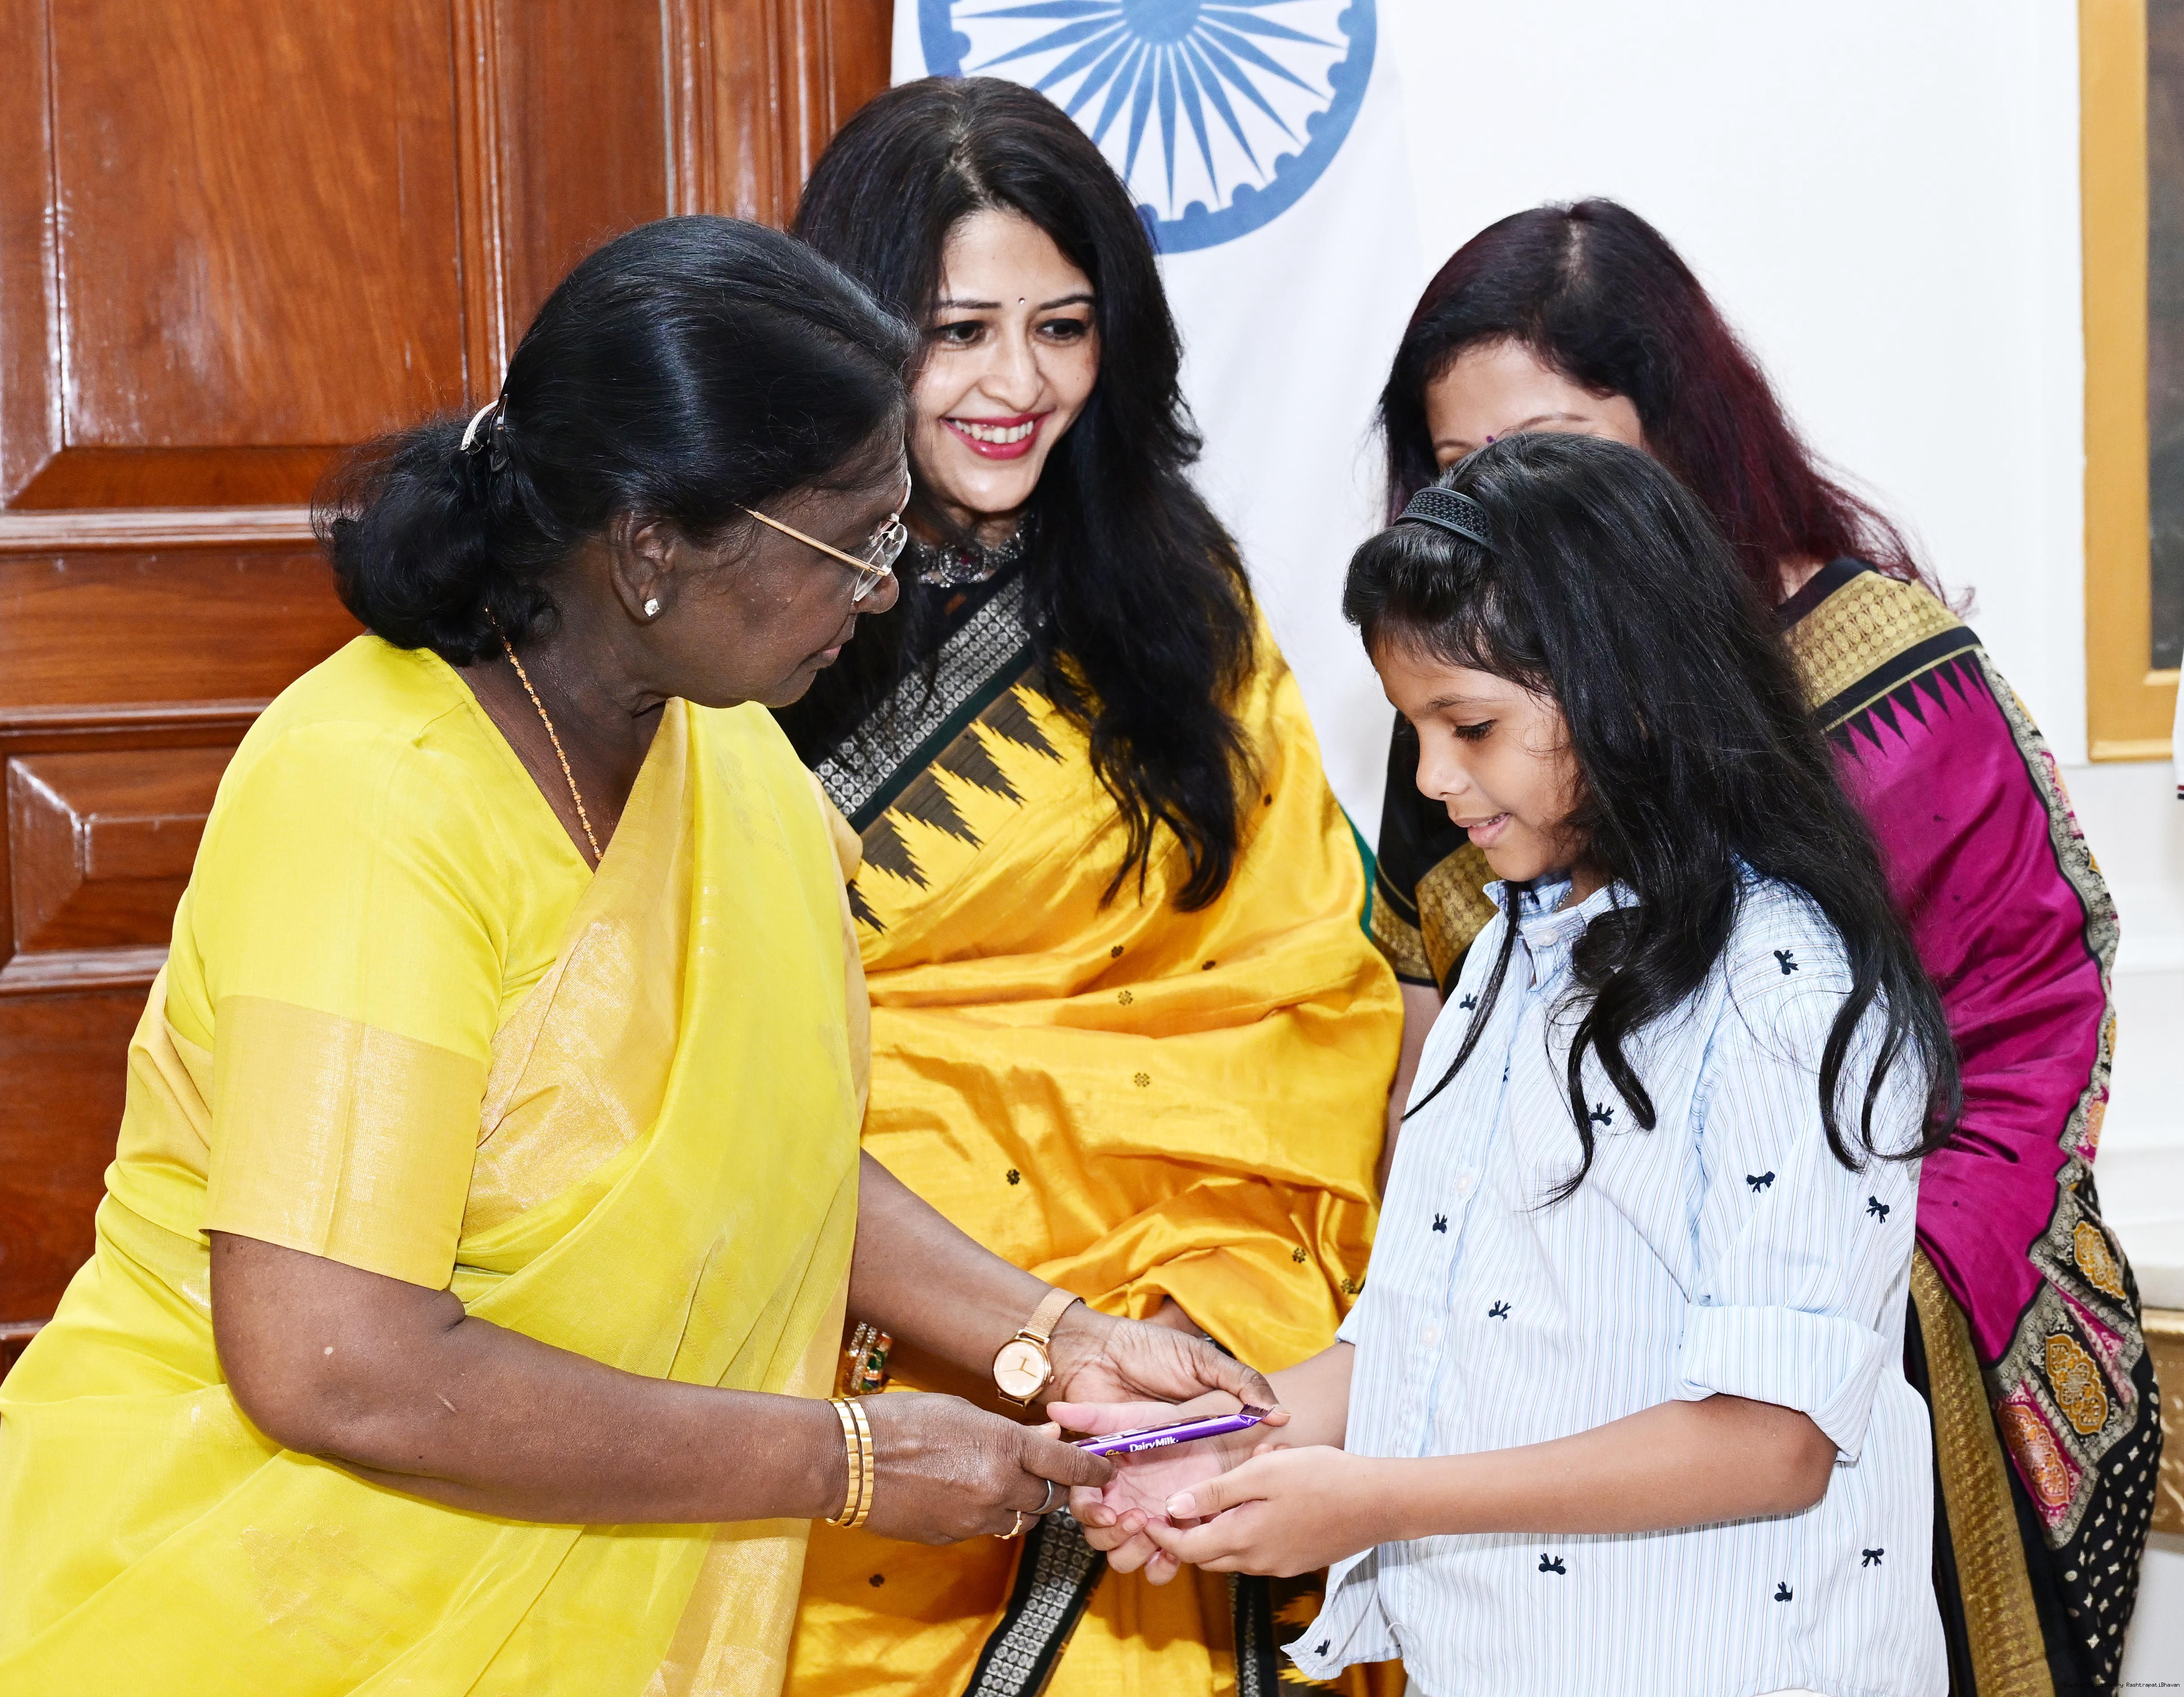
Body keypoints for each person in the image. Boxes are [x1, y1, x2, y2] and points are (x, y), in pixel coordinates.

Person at [0, 217, 1274, 1694]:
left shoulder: (731, 764)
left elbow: (760, 1158)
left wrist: (1052, 1339)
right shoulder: (375, 798)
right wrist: (846, 1460)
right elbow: (336, 1365)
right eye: (853, 541)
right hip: (245, 1600)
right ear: (652, 545)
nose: (880, 590)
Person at [1364, 201, 2156, 1697]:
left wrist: (1836, 1293)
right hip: (1557, 1401)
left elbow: (2031, 1011)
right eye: (1459, 469)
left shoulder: (1877, 684)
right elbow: (1436, 1035)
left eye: (1553, 444)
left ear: (1677, 426)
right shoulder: (1466, 732)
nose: (1505, 503)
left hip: (1850, 1347)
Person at [1066, 432, 1964, 1697]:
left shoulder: (1784, 986)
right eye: (1415, 729)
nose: (1433, 779)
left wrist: (1378, 1499)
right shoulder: (1506, 955)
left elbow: (1774, 1442)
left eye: (1471, 726)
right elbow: (1425, 1343)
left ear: (1628, 691)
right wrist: (1217, 1442)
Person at [774, 79, 1402, 1697]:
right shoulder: (749, 603)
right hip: (831, 1282)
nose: (1017, 384)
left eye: (1061, 328)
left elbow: (1292, 988)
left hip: (1178, 1275)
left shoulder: (1180, 601)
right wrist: (1024, 1315)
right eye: (957, 332)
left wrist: (1176, 1311)